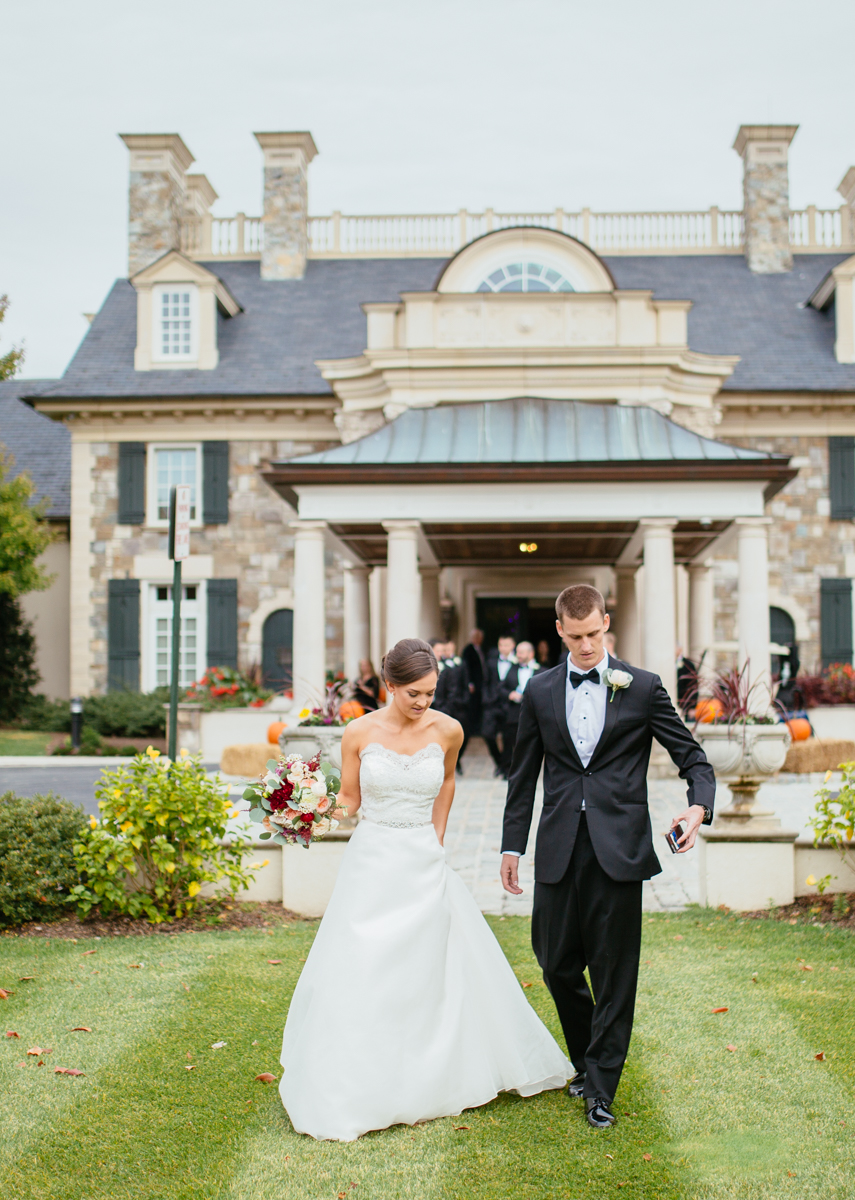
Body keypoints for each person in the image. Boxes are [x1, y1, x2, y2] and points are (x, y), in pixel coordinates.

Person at [279, 638, 571, 1141]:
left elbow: (448, 783)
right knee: (366, 963)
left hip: (422, 856)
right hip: (372, 859)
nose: (423, 702)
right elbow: (349, 799)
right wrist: (305, 810)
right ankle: (361, 1073)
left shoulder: (449, 729)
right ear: (389, 686)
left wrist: (436, 839)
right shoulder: (358, 731)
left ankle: (432, 1070)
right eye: (413, 693)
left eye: (431, 692)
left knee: (428, 964)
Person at [500, 585, 715, 1130]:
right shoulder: (541, 690)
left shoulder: (642, 688)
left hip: (620, 848)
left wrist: (697, 810)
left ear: (606, 624)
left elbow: (693, 758)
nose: (588, 645)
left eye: (595, 634)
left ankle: (600, 1085)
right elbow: (522, 777)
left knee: (615, 971)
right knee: (555, 963)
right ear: (559, 633)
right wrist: (511, 845)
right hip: (557, 847)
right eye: (576, 637)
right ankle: (587, 1057)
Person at [500, 640, 539, 778]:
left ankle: (528, 770)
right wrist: (510, 694)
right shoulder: (512, 668)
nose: (519, 655)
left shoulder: (541, 670)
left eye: (521, 652)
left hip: (533, 715)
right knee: (509, 742)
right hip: (513, 714)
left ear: (531, 653)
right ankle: (507, 770)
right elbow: (502, 688)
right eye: (517, 652)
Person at [481, 634, 516, 776]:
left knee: (508, 738)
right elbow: (486, 682)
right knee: (487, 734)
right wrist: (486, 699)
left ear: (513, 646)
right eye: (501, 645)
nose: (503, 648)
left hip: (510, 704)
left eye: (506, 645)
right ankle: (500, 762)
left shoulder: (517, 662)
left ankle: (506, 767)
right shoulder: (491, 662)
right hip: (492, 704)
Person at [461, 629, 486, 734]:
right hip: (473, 684)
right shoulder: (468, 650)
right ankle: (473, 729)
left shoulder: (481, 649)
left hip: (480, 682)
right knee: (473, 705)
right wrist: (470, 682)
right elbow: (466, 668)